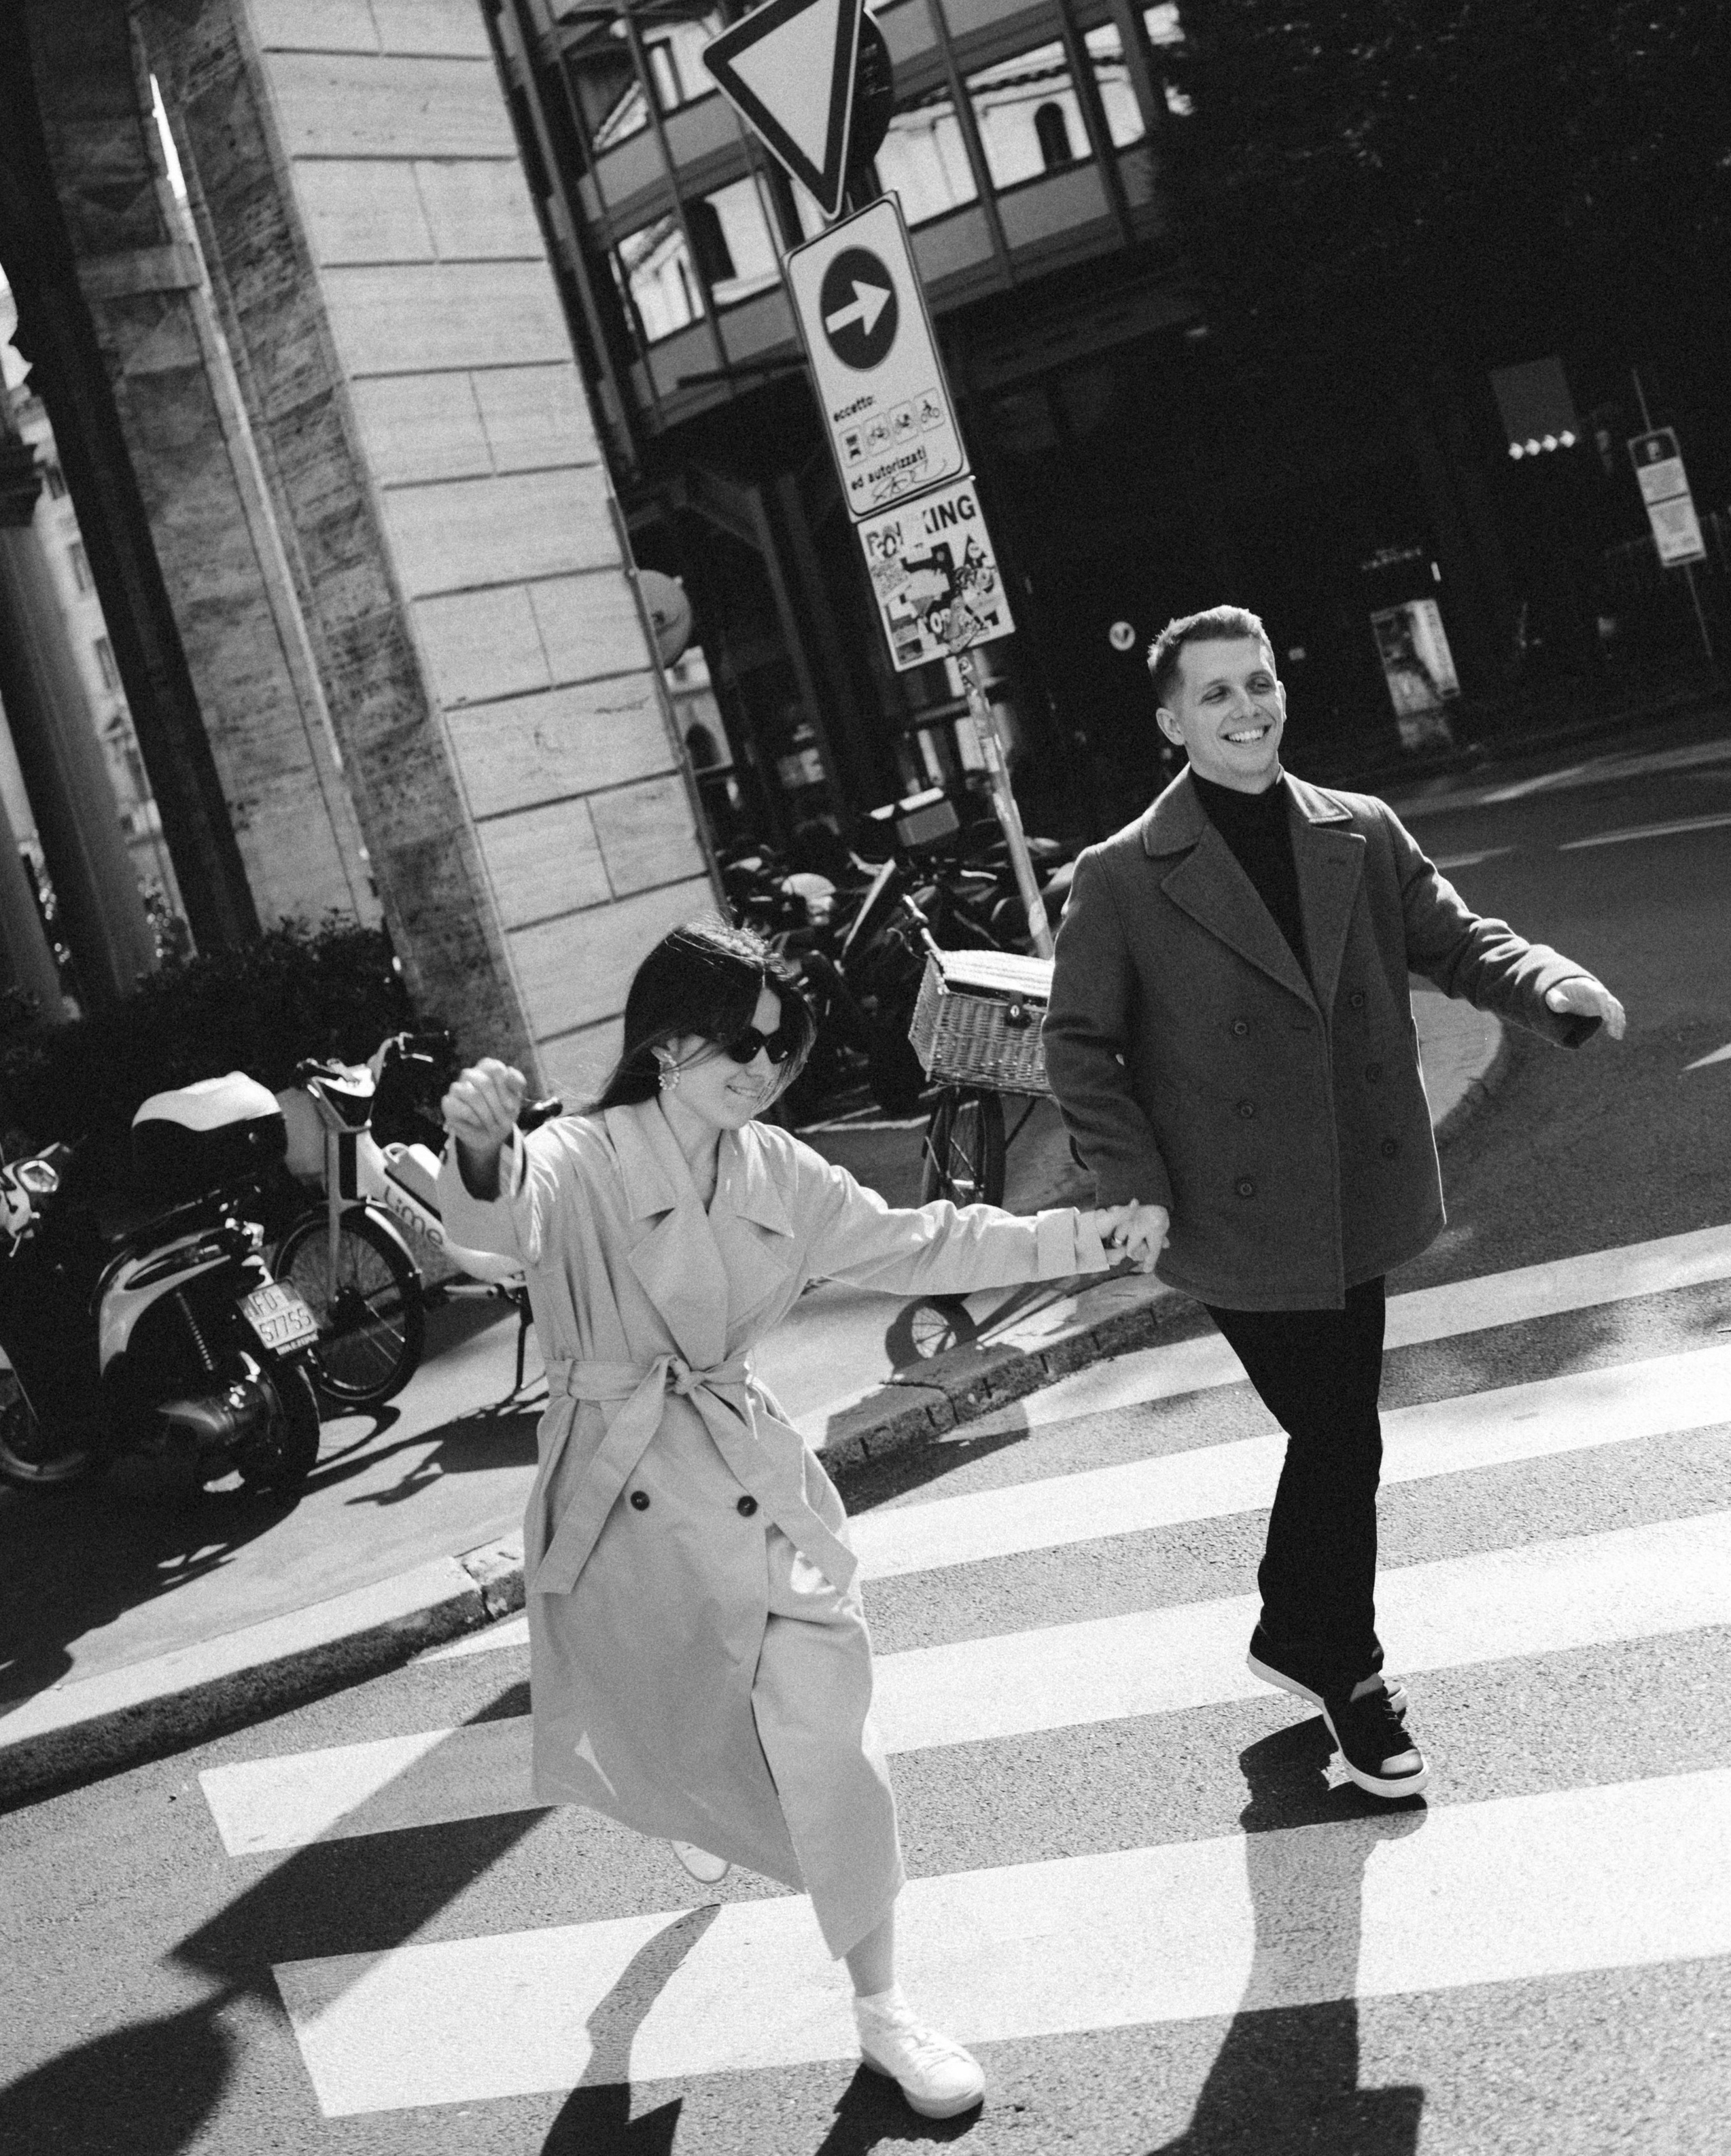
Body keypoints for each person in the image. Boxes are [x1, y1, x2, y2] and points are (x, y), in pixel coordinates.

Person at [439, 918, 1151, 2120]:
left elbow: (922, 1242)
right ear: (666, 1038)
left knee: (831, 1727)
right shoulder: (583, 1153)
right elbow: (505, 1227)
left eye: (785, 1047)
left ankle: (883, 2008)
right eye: (745, 1040)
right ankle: (703, 1798)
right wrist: (477, 1150)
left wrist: (1090, 1233)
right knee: (679, 1724)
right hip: (622, 1497)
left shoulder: (778, 1168)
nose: (766, 1067)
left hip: (755, 1475)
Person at [1043, 604, 1625, 1801]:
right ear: (1171, 722)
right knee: (1339, 1428)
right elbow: (1080, 1047)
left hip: (1351, 1188)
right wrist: (1134, 1187)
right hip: (1228, 1210)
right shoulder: (1120, 877)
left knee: (1336, 1427)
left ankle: (1297, 1633)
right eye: (1216, 693)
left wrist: (1551, 983)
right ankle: (1345, 1672)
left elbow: (1459, 941)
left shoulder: (1358, 831)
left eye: (1259, 682)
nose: (1248, 707)